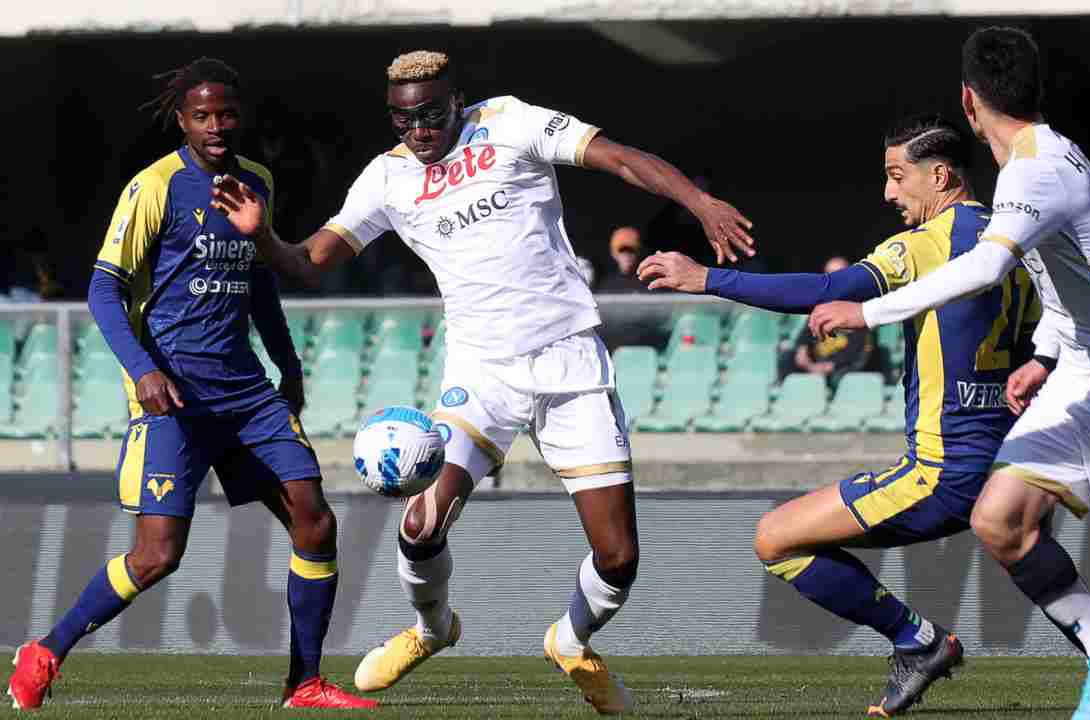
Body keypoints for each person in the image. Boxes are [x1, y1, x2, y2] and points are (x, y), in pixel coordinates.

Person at [208, 50, 754, 715]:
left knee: (618, 558)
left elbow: (618, 157)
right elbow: (310, 261)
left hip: (569, 360)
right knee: (420, 524)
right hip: (481, 373)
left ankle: (571, 639)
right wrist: (262, 236)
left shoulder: (508, 122)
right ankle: (433, 629)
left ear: (456, 102)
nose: (420, 130)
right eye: (404, 118)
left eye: (432, 114)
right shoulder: (387, 179)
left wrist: (699, 202)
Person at [810, 28, 1090, 720]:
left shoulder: (1035, 170)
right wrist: (1046, 355)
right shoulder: (1038, 159)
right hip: (1081, 375)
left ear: (968, 99)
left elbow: (989, 268)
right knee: (999, 518)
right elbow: (1082, 273)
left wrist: (867, 312)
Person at [638, 113, 1090, 717]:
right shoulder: (1017, 237)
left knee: (775, 539)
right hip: (1007, 465)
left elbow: (823, 289)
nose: (888, 193)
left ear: (940, 176)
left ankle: (919, 640)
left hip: (942, 469)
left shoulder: (932, 244)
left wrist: (708, 278)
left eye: (896, 176)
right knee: (1025, 548)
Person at [4, 58, 373, 710]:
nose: (216, 126)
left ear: (239, 115)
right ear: (182, 119)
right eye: (202, 115)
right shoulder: (155, 187)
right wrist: (142, 370)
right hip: (174, 394)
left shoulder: (254, 183)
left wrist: (287, 366)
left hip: (246, 393)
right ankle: (46, 650)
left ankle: (304, 682)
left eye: (225, 113)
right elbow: (101, 287)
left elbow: (260, 280)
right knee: (157, 556)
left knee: (315, 523)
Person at [783, 255, 876, 387]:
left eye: (839, 274)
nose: (834, 279)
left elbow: (860, 354)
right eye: (829, 274)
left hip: (843, 370)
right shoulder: (819, 307)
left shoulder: (859, 307)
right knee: (787, 356)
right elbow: (804, 338)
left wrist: (829, 367)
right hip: (816, 366)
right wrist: (802, 352)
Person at [596, 226, 649, 293]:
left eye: (631, 250)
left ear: (638, 253)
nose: (627, 255)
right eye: (622, 251)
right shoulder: (607, 287)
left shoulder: (648, 284)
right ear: (614, 254)